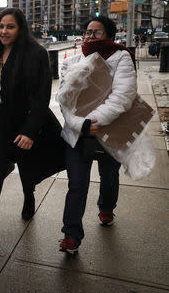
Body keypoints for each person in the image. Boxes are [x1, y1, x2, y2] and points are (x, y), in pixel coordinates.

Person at [0, 8, 65, 247]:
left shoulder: (36, 54)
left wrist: (30, 131)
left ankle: (29, 195)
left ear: (20, 28)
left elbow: (42, 96)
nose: (4, 31)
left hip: (24, 119)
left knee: (27, 165)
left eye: (10, 27)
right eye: (0, 26)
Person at [58, 16, 137, 255]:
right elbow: (64, 99)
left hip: (109, 131)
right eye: (88, 32)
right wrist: (80, 124)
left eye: (97, 32)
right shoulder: (71, 61)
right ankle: (71, 235)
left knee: (109, 176)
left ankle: (106, 207)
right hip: (77, 133)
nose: (90, 36)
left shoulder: (121, 57)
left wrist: (94, 121)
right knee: (76, 185)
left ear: (110, 36)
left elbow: (122, 97)